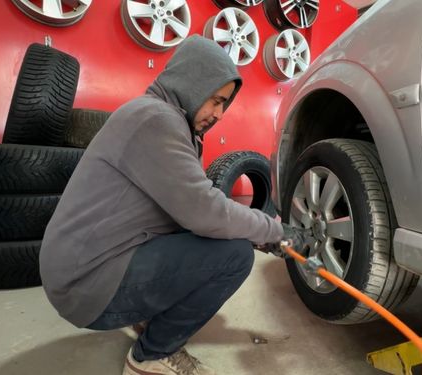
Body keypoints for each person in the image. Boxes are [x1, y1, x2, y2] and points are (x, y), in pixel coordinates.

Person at [39, 35, 307, 375]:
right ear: (192, 84)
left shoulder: (162, 119)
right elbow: (206, 213)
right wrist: (275, 229)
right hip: (85, 285)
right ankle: (150, 354)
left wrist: (261, 235)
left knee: (222, 239)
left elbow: (190, 213)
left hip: (84, 268)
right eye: (215, 100)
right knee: (234, 256)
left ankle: (147, 318)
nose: (219, 114)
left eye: (225, 104)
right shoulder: (156, 121)